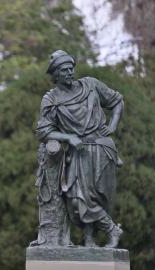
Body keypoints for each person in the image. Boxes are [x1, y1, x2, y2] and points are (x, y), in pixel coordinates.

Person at [35, 50, 124, 248]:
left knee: (98, 196)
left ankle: (90, 240)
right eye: (64, 70)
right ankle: (111, 229)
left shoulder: (90, 85)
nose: (69, 72)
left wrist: (112, 126)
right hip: (79, 151)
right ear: (55, 74)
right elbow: (43, 131)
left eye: (71, 68)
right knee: (77, 199)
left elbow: (117, 101)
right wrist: (68, 137)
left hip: (102, 148)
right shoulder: (51, 100)